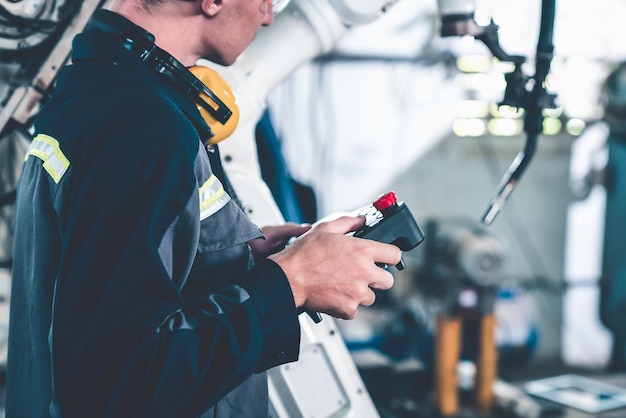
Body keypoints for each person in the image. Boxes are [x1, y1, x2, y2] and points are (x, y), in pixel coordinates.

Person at [5, 0, 402, 417]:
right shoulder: (143, 127)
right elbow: (119, 385)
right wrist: (293, 282)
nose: (268, 16)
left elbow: (98, 273)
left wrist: (231, 254)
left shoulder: (94, 89)